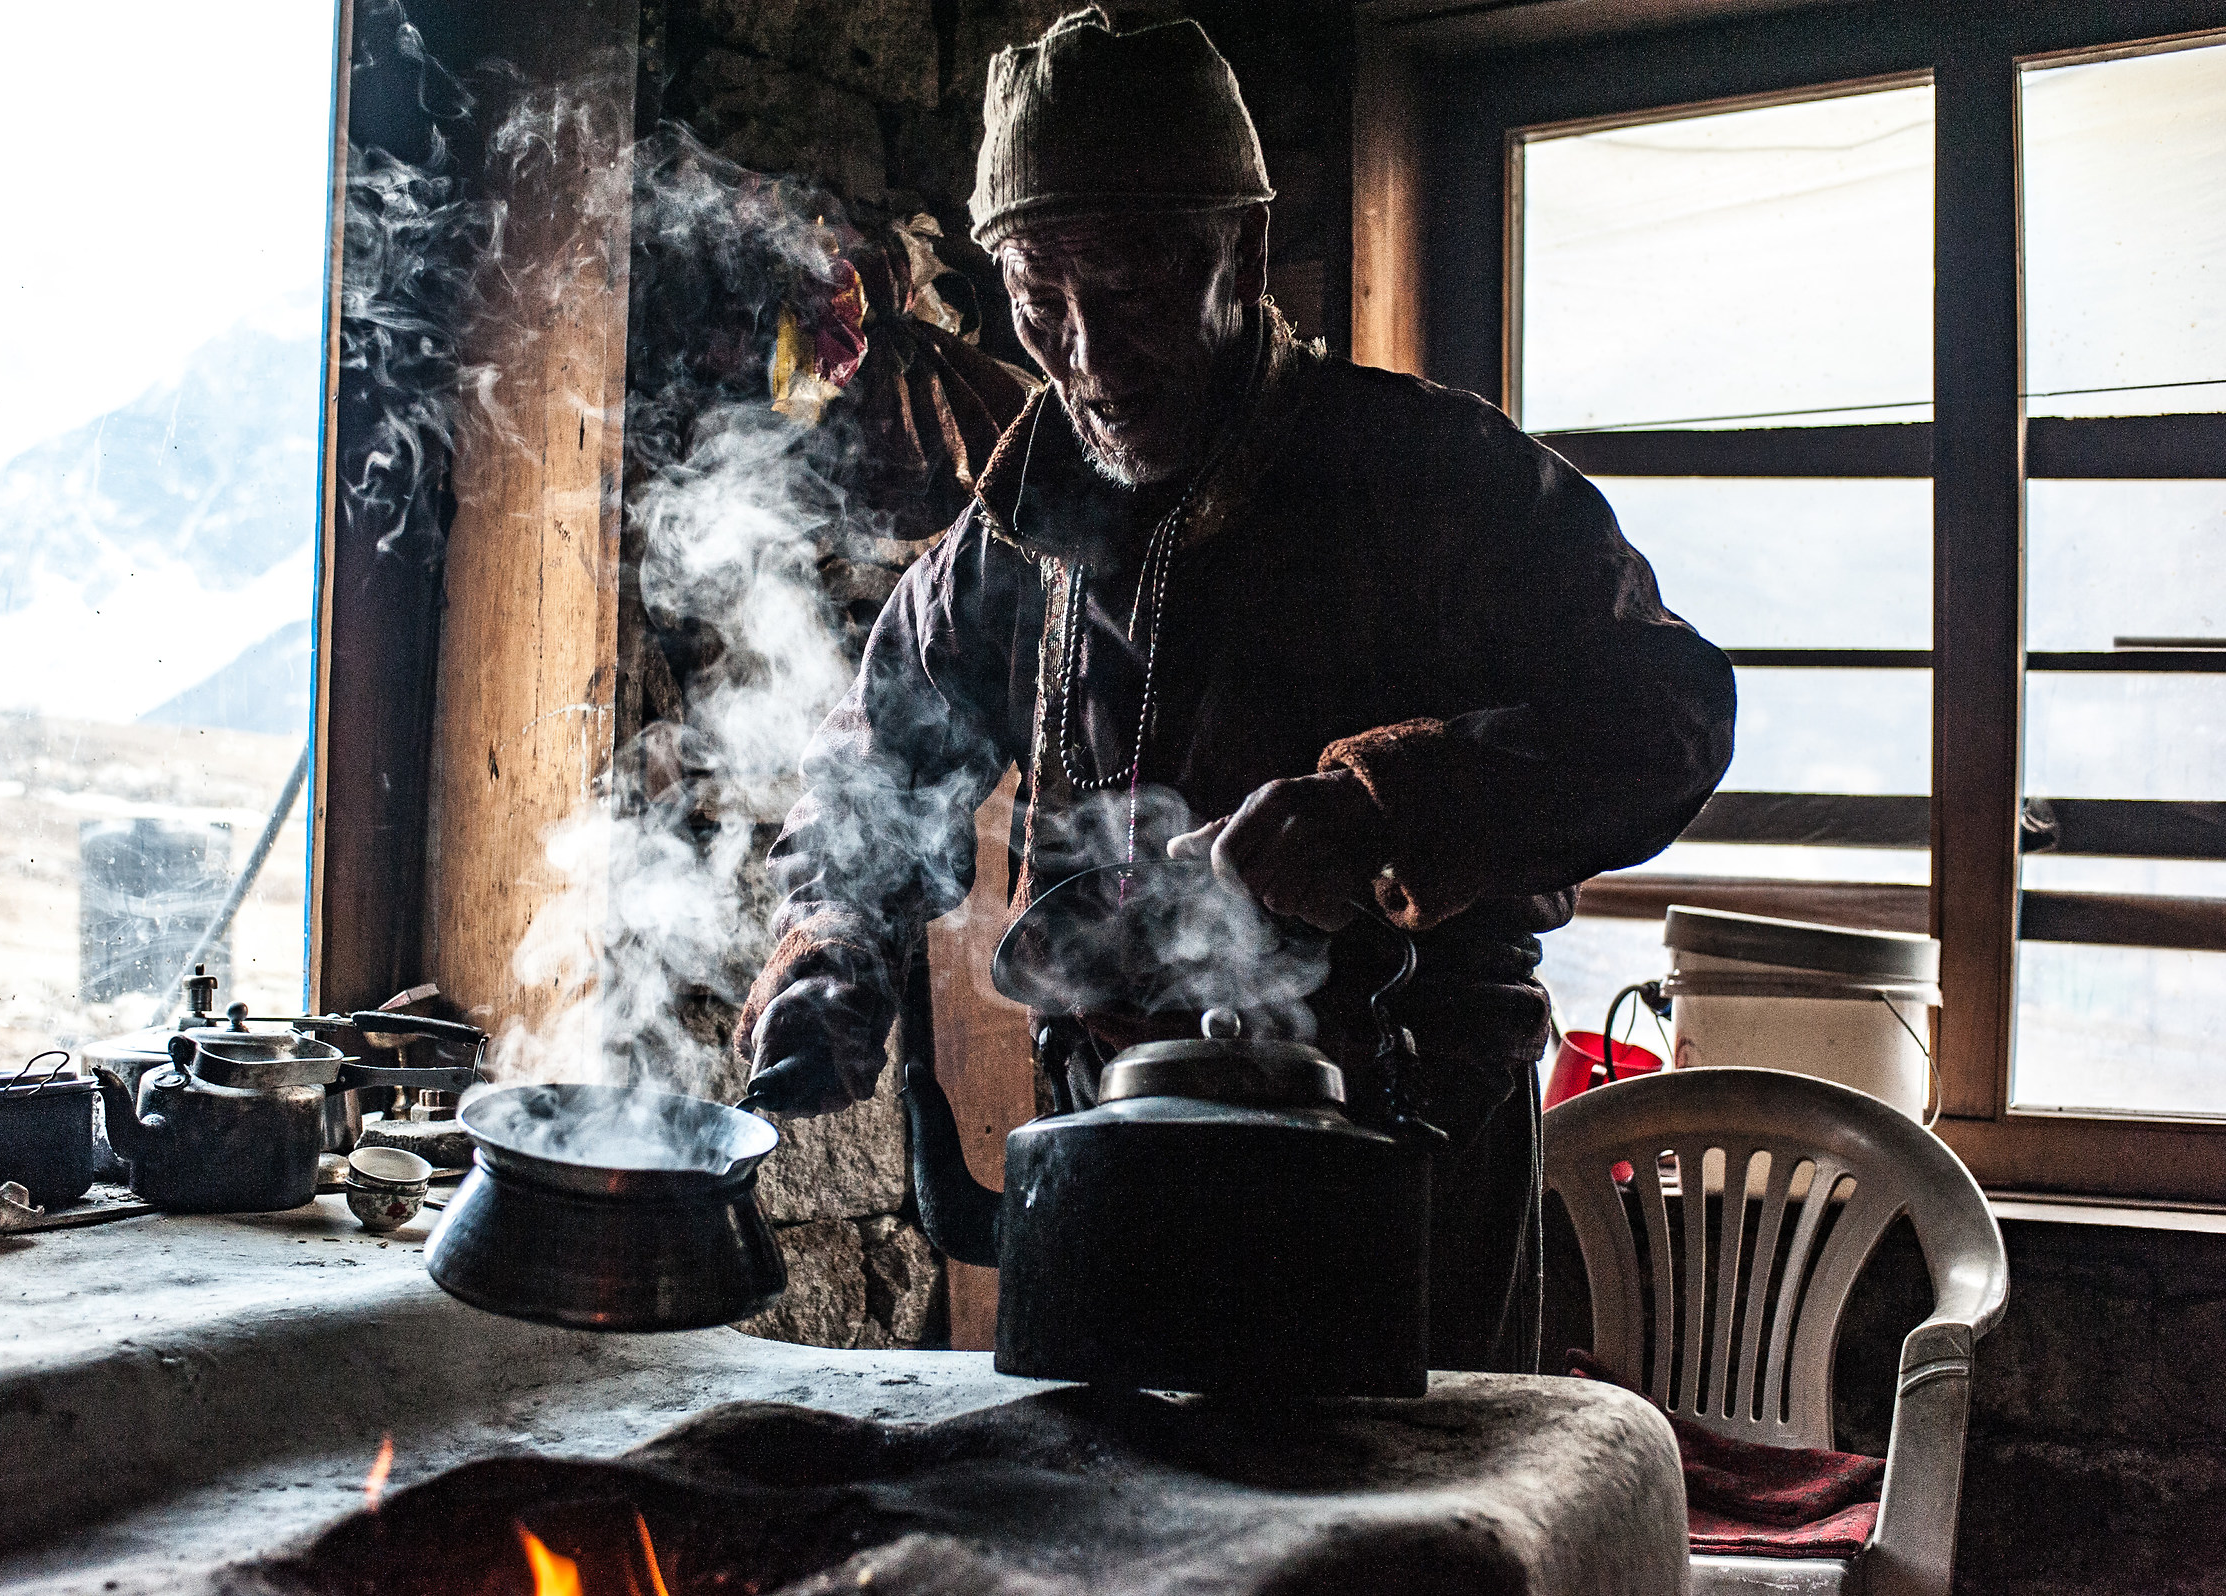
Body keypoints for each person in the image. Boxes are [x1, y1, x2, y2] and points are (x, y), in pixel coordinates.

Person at [733, 7, 1736, 1373]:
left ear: (1247, 249)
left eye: (1134, 286)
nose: (1086, 354)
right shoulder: (1019, 530)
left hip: (1402, 1142)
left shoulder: (1432, 479)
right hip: (1110, 1139)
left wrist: (1384, 816)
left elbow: (1669, 710)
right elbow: (881, 768)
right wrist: (832, 940)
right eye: (1042, 300)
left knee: (1390, 1547)